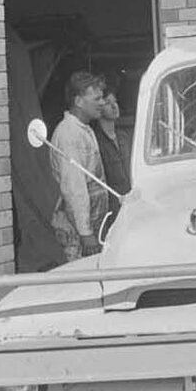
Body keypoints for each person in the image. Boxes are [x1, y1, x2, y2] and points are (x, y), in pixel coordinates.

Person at [49, 71, 110, 259]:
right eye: (97, 98)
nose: (102, 103)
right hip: (79, 231)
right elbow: (74, 188)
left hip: (94, 222)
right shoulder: (69, 135)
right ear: (79, 101)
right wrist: (86, 233)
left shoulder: (85, 130)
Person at [95, 87, 132, 223]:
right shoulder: (96, 141)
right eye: (107, 102)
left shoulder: (124, 136)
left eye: (115, 101)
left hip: (132, 200)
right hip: (113, 207)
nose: (113, 105)